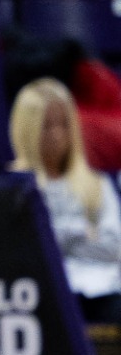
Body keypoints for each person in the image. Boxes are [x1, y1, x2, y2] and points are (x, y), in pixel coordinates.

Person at [11, 77, 121, 323]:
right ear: (27, 129)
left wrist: (55, 236)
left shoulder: (97, 184)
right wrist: (84, 234)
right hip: (40, 294)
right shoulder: (14, 188)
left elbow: (114, 247)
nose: (57, 134)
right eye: (46, 126)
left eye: (63, 124)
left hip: (102, 290)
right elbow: (21, 250)